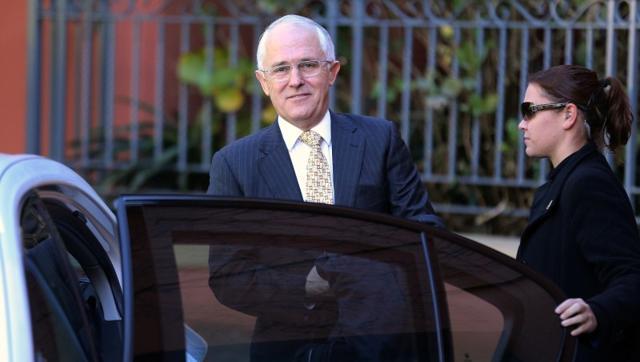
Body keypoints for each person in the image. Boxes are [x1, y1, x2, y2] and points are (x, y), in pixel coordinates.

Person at [206, 14, 443, 361]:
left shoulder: (380, 140)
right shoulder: (234, 163)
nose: (296, 80)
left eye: (308, 65)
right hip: (288, 349)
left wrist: (366, 273)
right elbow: (228, 276)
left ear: (332, 72)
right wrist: (306, 285)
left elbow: (425, 233)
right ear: (263, 81)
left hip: (383, 343)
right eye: (281, 69)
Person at [517, 64, 640, 361]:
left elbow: (632, 277)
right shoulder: (558, 186)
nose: (522, 123)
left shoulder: (588, 184)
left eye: (530, 110)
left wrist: (597, 311)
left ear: (568, 115)